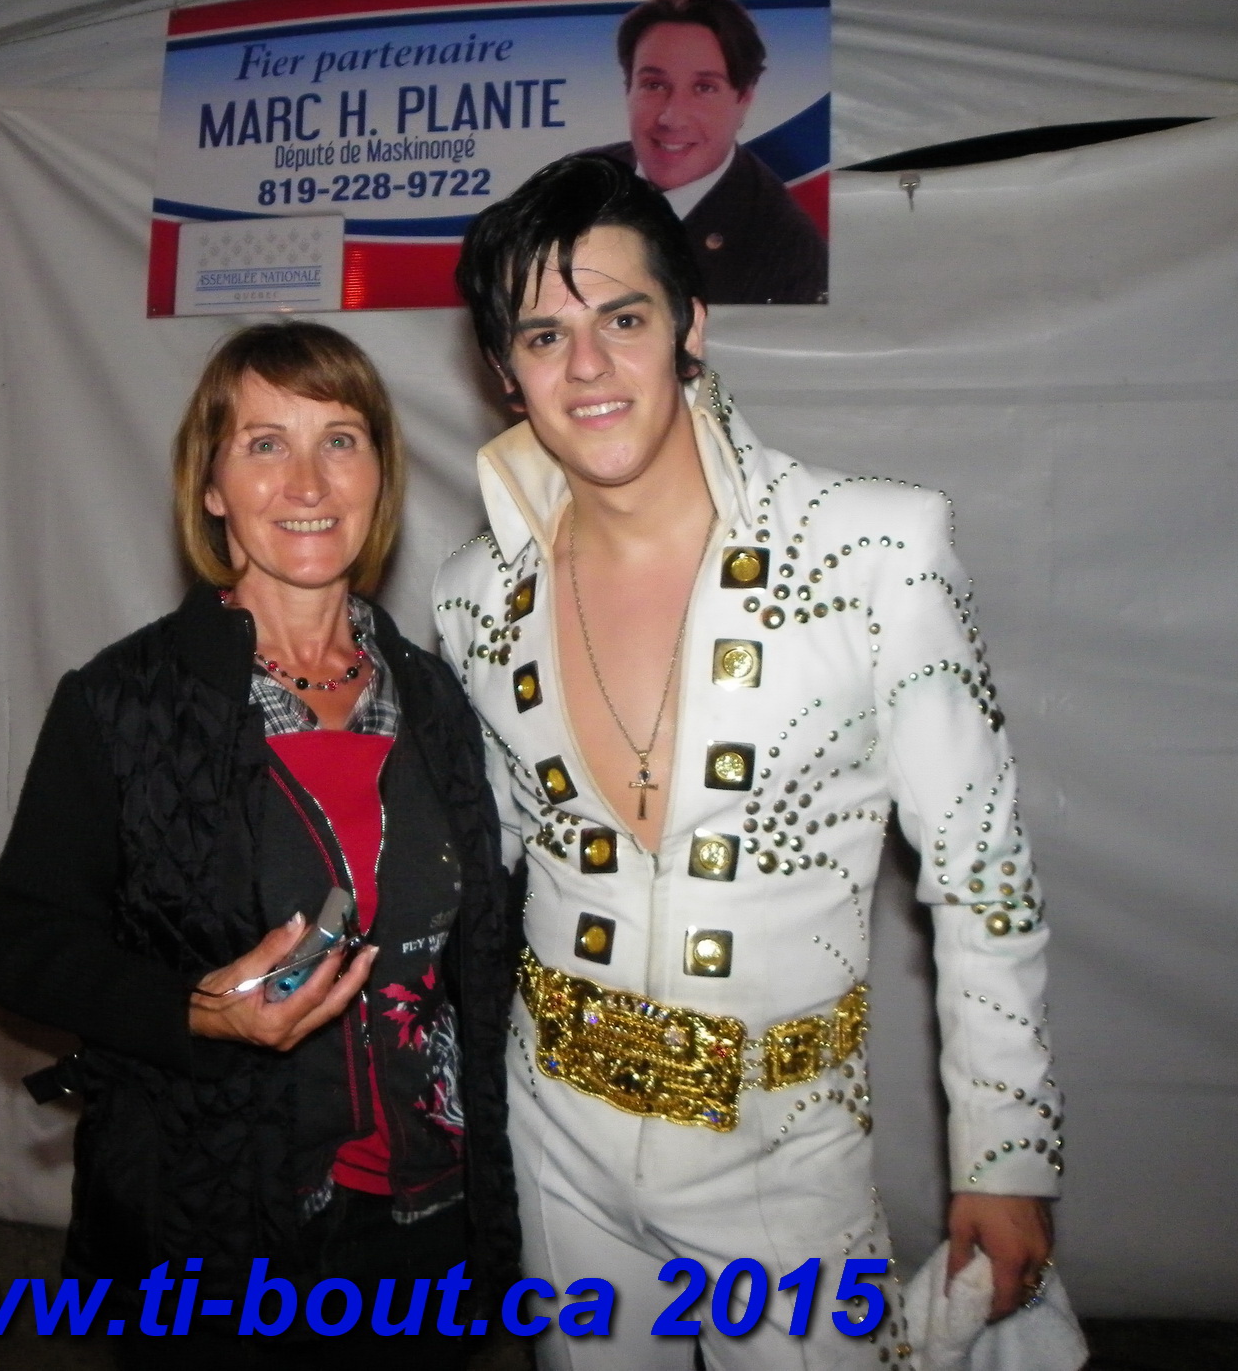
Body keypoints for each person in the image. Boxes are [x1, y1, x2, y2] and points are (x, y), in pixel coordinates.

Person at [434, 154, 1058, 1369]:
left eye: (622, 319)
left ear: (690, 326)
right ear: (504, 372)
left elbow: (980, 875)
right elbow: (478, 870)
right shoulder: (471, 597)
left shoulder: (874, 549)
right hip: (553, 1139)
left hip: (783, 1152)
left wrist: (1004, 1155)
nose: (587, 366)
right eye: (543, 335)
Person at [0, 321, 517, 1369]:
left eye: (340, 440)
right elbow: (20, 944)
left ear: (380, 475)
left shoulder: (439, 700)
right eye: (265, 444)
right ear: (212, 486)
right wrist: (193, 1009)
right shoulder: (124, 703)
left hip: (426, 1221)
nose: (308, 481)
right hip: (214, 1221)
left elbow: (482, 952)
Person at [588, 0, 827, 305]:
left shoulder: (787, 252)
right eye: (654, 85)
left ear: (743, 99)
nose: (672, 117)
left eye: (704, 88)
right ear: (627, 89)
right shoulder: (579, 182)